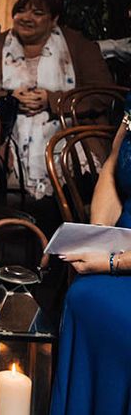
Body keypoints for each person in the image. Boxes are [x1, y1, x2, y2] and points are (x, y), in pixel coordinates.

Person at [0, 0, 112, 213]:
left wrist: (52, 100)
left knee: (76, 187)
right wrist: (10, 97)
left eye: (38, 12)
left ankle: (56, 242)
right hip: (6, 133)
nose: (26, 17)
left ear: (54, 20)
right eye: (21, 10)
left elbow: (102, 94)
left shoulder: (79, 46)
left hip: (67, 134)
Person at [50, 107, 131, 414]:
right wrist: (98, 235)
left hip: (123, 260)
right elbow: (113, 166)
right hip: (122, 241)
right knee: (84, 296)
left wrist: (112, 262)